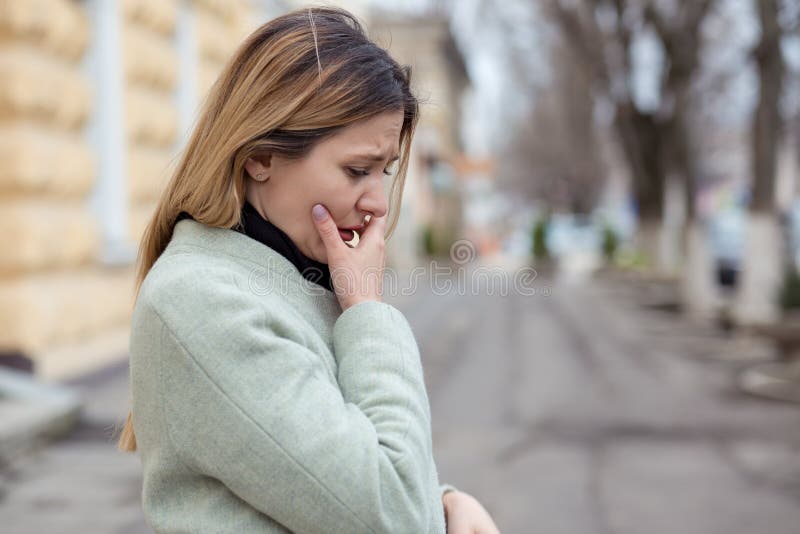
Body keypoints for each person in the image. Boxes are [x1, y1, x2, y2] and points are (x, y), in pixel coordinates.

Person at [116, 6, 500, 534]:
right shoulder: (202, 301)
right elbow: (393, 517)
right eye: (356, 170)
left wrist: (444, 504)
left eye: (384, 172)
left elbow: (331, 473)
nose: (379, 203)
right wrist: (367, 311)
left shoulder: (285, 275)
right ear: (262, 156)